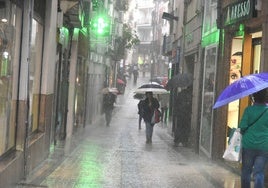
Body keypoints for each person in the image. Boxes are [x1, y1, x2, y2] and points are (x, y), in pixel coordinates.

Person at [239, 88, 268, 188]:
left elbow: (242, 127)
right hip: (264, 146)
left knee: (246, 171)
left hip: (249, 145)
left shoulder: (248, 110)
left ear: (254, 98)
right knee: (259, 172)